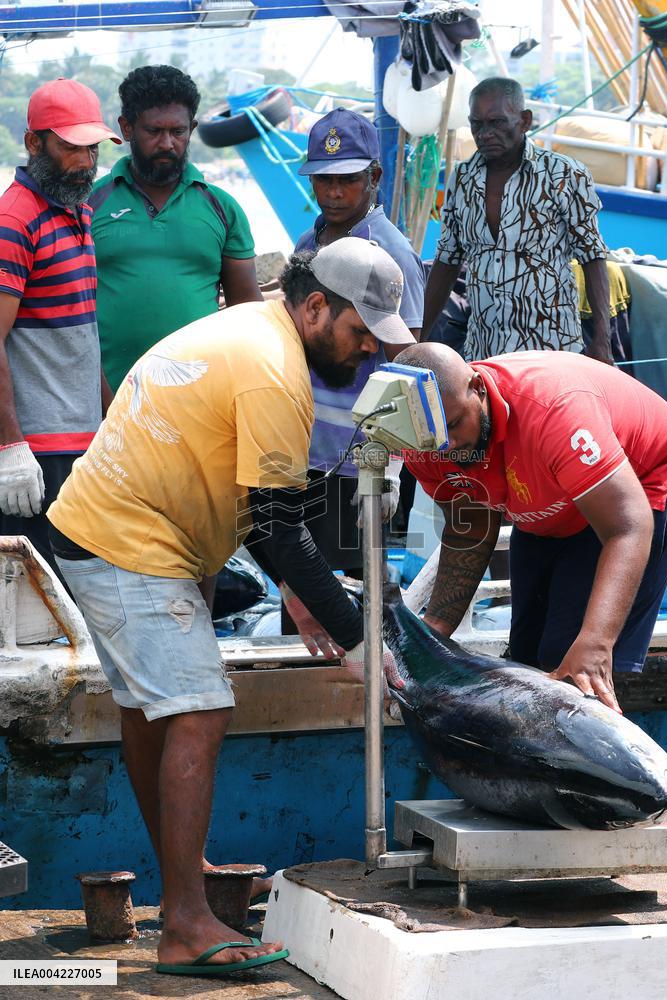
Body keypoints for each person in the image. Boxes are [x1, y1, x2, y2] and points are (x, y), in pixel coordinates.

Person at [46, 238, 409, 976]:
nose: (370, 347)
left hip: (104, 525)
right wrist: (358, 639)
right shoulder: (275, 373)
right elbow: (282, 525)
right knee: (200, 710)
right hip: (132, 540)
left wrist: (300, 598)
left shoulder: (251, 330)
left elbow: (259, 503)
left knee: (156, 710)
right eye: (359, 329)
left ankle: (185, 889)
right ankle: (183, 921)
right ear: (314, 306)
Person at [396, 342, 667, 714]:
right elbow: (470, 528)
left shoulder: (555, 412)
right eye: (434, 440)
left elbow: (627, 527)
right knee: (524, 660)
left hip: (636, 488)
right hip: (546, 495)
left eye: (456, 423)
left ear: (477, 387)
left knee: (571, 666)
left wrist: (596, 642)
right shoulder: (425, 442)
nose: (450, 446)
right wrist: (433, 631)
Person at [289, 108, 424, 588]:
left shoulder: (390, 252)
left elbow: (407, 366)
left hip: (358, 464)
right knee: (303, 594)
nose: (333, 192)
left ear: (375, 176)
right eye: (323, 180)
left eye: (346, 179)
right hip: (302, 456)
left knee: (359, 596)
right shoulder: (310, 241)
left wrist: (389, 464)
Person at [0, 78, 120, 577]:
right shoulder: (15, 218)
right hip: (36, 455)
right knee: (41, 614)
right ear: (35, 143)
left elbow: (80, 336)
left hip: (81, 444)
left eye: (91, 148)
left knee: (82, 599)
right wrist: (10, 446)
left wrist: (116, 422)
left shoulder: (76, 211)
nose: (86, 162)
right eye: (71, 148)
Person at [89, 64, 261, 394]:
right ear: (126, 128)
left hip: (200, 402)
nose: (167, 143)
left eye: (178, 132)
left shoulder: (222, 209)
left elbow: (248, 317)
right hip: (107, 401)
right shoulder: (89, 205)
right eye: (153, 131)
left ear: (192, 129)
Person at [422, 77, 613, 364]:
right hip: (484, 351)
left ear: (524, 121)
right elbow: (447, 260)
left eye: (497, 122)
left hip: (551, 350)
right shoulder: (461, 179)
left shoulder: (564, 175)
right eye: (477, 124)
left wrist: (602, 339)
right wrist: (418, 337)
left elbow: (593, 256)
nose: (485, 134)